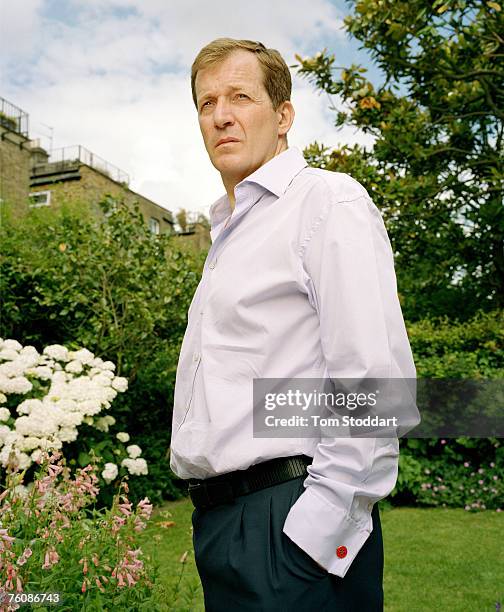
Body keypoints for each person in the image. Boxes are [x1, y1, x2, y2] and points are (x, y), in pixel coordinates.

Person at [169, 37, 416, 611]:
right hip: (224, 525)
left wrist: (312, 535)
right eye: (206, 104)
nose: (220, 115)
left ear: (283, 116)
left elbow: (376, 387)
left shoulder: (326, 202)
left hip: (288, 525)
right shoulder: (231, 230)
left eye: (240, 97)